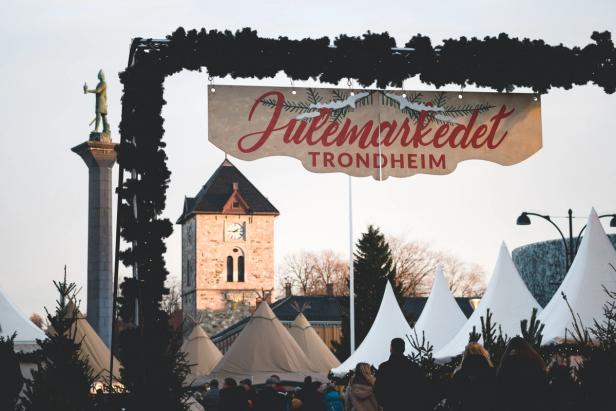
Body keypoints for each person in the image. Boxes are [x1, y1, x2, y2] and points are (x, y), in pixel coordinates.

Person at [375, 338, 428, 411]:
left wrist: (384, 403)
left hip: (390, 406)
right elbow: (421, 388)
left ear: (391, 349)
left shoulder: (384, 367)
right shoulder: (414, 367)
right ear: (404, 349)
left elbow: (378, 390)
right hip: (410, 406)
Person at [496, 337, 548, 411]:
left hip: (512, 404)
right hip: (532, 404)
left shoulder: (507, 363)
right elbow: (543, 385)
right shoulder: (535, 362)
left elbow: (500, 386)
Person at [448, 342, 495, 411]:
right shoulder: (492, 372)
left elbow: (452, 399)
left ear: (465, 355)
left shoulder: (459, 374)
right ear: (483, 353)